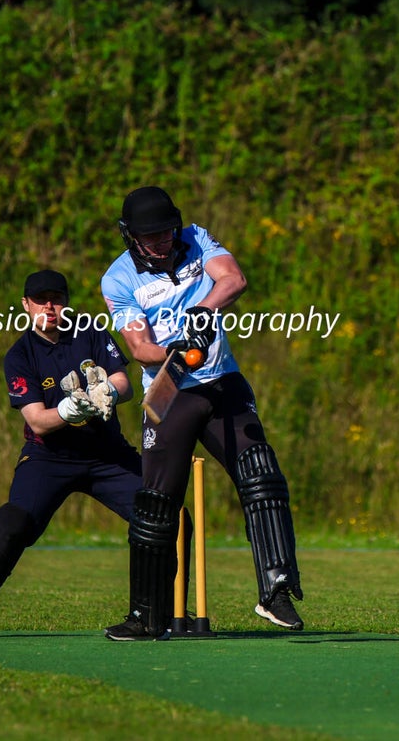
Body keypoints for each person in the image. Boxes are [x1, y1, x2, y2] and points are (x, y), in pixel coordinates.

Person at [101, 186, 304, 641]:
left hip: (223, 382)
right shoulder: (118, 279)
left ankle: (276, 590)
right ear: (130, 237)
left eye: (167, 232)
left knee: (261, 473)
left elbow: (233, 278)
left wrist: (202, 311)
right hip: (171, 391)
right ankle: (146, 615)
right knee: (156, 505)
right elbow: (138, 348)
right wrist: (174, 348)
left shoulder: (194, 237)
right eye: (151, 236)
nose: (163, 242)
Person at [0, 269, 151, 637]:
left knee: (165, 516)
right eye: (41, 300)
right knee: (13, 521)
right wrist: (70, 411)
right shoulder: (20, 355)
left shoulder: (89, 331)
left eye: (56, 299)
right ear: (26, 305)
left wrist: (108, 393)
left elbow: (123, 381)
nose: (49, 307)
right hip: (49, 457)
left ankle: (157, 611)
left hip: (106, 454)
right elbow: (37, 420)